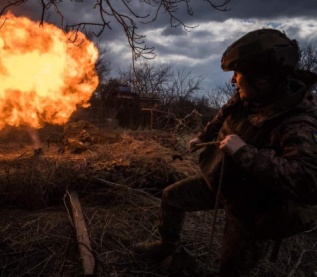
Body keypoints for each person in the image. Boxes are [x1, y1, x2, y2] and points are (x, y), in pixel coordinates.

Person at [134, 29, 317, 276]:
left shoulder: (298, 123)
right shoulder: (249, 95)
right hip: (224, 181)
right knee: (172, 196)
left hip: (254, 207)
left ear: (262, 80)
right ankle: (167, 246)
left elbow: (308, 181)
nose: (233, 80)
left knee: (231, 269)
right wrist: (203, 136)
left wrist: (244, 152)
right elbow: (224, 114)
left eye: (238, 74)